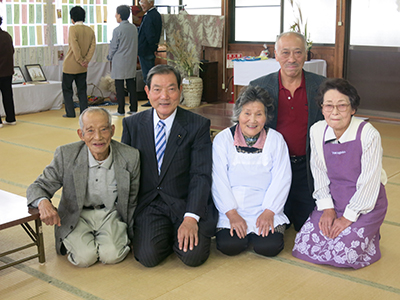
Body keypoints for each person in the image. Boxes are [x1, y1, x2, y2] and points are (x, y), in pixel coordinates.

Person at [121, 65, 217, 267]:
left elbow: (201, 175)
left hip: (184, 203)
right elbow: (125, 173)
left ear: (180, 90)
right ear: (147, 91)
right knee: (147, 257)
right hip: (151, 205)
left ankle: (181, 233)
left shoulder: (198, 125)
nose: (164, 96)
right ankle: (166, 236)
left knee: (194, 257)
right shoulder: (132, 125)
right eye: (157, 89)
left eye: (171, 89)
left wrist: (191, 219)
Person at [292, 78, 388, 269]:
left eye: (342, 105)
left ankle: (370, 233)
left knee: (345, 254)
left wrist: (348, 218)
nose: (334, 112)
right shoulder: (317, 130)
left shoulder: (369, 134)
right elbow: (318, 171)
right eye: (328, 105)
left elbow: (370, 181)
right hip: (334, 200)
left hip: (365, 202)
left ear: (353, 109)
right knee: (304, 246)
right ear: (321, 108)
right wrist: (327, 208)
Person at [27, 107, 140, 267]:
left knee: (112, 255)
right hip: (77, 215)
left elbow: (133, 199)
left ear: (112, 130)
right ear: (81, 134)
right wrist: (43, 202)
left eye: (103, 129)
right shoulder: (66, 154)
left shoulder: (130, 156)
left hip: (110, 214)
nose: (98, 137)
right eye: (90, 131)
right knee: (84, 258)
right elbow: (38, 186)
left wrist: (133, 232)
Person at [250, 31, 326, 231]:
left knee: (308, 227)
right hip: (273, 169)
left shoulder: (321, 86)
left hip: (307, 169)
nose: (291, 59)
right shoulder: (259, 86)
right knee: (269, 229)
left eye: (298, 52)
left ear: (306, 55)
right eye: (285, 53)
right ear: (276, 55)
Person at [212, 85, 291, 257]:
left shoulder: (276, 140)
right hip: (232, 209)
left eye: (259, 114)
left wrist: (269, 211)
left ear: (266, 116)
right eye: (247, 113)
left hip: (266, 207)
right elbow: (218, 180)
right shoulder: (222, 139)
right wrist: (232, 213)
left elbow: (282, 178)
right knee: (229, 246)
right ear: (238, 114)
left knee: (268, 247)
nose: (252, 120)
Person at [62, 6, 96, 118]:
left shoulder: (72, 29)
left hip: (70, 65)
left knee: (67, 90)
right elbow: (92, 47)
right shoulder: (90, 30)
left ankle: (70, 113)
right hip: (83, 67)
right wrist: (85, 61)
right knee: (82, 90)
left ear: (72, 18)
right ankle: (84, 112)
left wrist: (80, 60)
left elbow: (74, 46)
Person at [107, 5, 138, 116]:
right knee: (131, 86)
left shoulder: (117, 30)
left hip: (119, 61)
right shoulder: (134, 28)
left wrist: (109, 56)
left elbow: (114, 46)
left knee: (119, 87)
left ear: (119, 15)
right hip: (131, 60)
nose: (115, 15)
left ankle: (121, 110)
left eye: (116, 13)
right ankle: (133, 108)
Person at [137, 0, 162, 107]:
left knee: (148, 76)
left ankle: (151, 99)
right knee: (149, 75)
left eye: (143, 2)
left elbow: (150, 35)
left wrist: (153, 48)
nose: (141, 5)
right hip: (149, 49)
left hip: (146, 50)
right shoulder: (154, 14)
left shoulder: (150, 16)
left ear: (151, 2)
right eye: (140, 2)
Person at [0, 16, 16, 128]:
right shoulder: (6, 35)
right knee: (8, 95)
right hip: (7, 71)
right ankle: (11, 118)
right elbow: (12, 50)